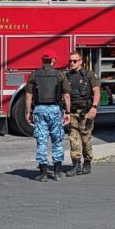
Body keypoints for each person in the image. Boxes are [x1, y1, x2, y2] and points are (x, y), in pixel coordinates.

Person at [25, 53, 71, 181]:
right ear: (53, 60)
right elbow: (66, 95)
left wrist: (28, 112)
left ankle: (43, 174)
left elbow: (29, 96)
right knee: (57, 140)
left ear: (42, 60)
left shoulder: (33, 75)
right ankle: (57, 173)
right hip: (55, 110)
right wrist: (67, 112)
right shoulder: (60, 75)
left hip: (39, 110)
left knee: (41, 141)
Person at [63, 51, 101, 177]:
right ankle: (76, 165)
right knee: (73, 139)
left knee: (86, 139)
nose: (71, 63)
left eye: (74, 61)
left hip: (86, 112)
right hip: (73, 113)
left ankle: (87, 163)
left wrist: (94, 107)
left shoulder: (89, 75)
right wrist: (66, 112)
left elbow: (96, 91)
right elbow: (65, 95)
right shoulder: (67, 76)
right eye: (70, 61)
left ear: (80, 61)